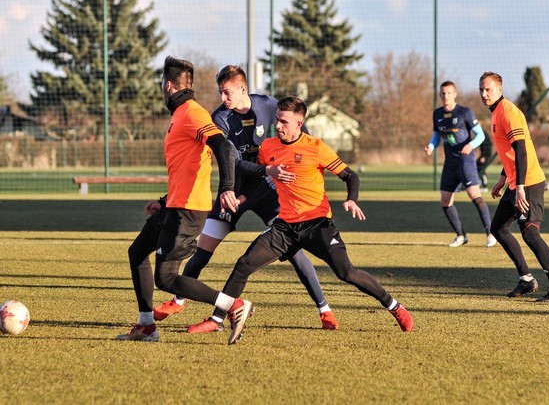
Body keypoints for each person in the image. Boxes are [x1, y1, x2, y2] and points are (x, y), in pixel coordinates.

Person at [153, 65, 338, 333]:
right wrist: (266, 170)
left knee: (293, 250)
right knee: (204, 249)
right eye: (220, 93)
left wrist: (298, 156)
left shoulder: (266, 104)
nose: (222, 98)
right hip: (234, 192)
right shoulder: (220, 118)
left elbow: (300, 132)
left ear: (242, 89)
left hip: (267, 191)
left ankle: (325, 310)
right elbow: (234, 163)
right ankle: (178, 300)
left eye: (227, 92)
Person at [212, 97, 414, 342]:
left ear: (299, 123)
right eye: (277, 120)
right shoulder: (268, 147)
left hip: (317, 224)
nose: (278, 125)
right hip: (285, 227)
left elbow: (350, 176)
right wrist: (243, 197)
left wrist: (352, 199)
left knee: (346, 272)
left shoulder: (315, 147)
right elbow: (258, 179)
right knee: (244, 264)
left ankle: (394, 306)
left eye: (284, 121)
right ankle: (216, 320)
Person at [117, 56, 253, 344]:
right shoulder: (180, 114)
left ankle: (234, 305)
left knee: (165, 278)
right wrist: (164, 201)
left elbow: (225, 148)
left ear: (167, 85)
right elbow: (186, 167)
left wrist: (227, 187)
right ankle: (146, 326)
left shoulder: (192, 113)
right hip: (175, 205)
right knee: (138, 251)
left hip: (189, 210)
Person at [480, 71, 549, 302]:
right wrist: (503, 179)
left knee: (530, 234)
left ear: (499, 89)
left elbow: (521, 150)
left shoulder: (509, 112)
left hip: (527, 182)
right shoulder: (496, 113)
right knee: (498, 228)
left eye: (488, 89)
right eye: (481, 89)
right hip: (515, 182)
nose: (484, 93)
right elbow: (509, 152)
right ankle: (527, 279)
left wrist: (519, 186)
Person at [424, 81, 496, 248]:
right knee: (445, 200)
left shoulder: (465, 112)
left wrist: (471, 145)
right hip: (450, 162)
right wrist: (431, 146)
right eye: (443, 93)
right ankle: (461, 235)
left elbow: (480, 136)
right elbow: (436, 136)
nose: (445, 96)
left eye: (449, 93)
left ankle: (490, 233)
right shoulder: (437, 114)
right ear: (440, 95)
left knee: (474, 195)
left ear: (455, 94)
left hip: (466, 161)